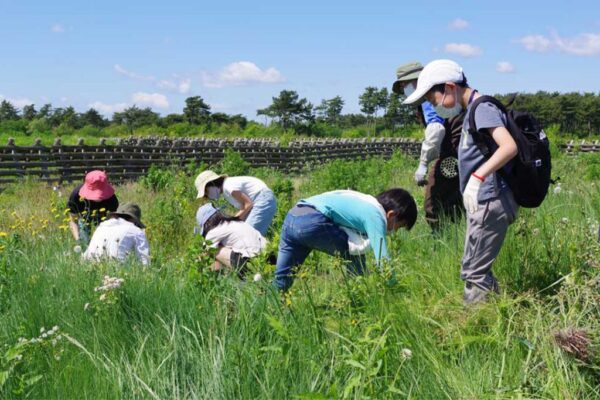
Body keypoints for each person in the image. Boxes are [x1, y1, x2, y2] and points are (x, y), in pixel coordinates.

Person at [403, 59, 519, 305]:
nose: (434, 107)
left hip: (490, 198)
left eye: (433, 100)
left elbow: (509, 147)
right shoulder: (469, 112)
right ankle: (497, 310)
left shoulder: (481, 108)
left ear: (449, 87)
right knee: (472, 267)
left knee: (474, 272)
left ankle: (477, 326)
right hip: (482, 200)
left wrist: (478, 177)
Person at [273, 188, 417, 291]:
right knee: (355, 254)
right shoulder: (376, 214)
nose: (394, 231)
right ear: (391, 215)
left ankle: (267, 306)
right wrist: (395, 289)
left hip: (293, 215)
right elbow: (382, 259)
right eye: (399, 226)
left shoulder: (363, 200)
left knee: (281, 281)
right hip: (313, 221)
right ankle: (358, 297)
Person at [393, 62, 464, 231]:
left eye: (405, 84)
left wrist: (423, 164)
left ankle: (440, 237)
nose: (404, 89)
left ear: (416, 80)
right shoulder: (432, 98)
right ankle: (455, 233)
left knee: (434, 199)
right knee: (454, 196)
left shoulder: (429, 99)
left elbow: (436, 129)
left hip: (452, 154)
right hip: (460, 152)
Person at [195, 203, 268, 278]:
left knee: (212, 250)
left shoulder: (212, 232)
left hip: (251, 262)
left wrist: (195, 263)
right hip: (268, 254)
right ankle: (230, 275)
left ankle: (224, 277)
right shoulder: (235, 221)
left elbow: (204, 254)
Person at [194, 171, 277, 236]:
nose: (207, 196)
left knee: (248, 234)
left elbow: (248, 204)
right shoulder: (227, 189)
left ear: (211, 184)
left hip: (262, 199)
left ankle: (260, 256)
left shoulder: (228, 186)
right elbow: (245, 208)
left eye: (206, 192)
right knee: (244, 231)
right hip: (260, 200)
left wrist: (232, 221)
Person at [82, 202, 150, 265]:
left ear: (115, 215)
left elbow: (85, 256)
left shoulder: (101, 227)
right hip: (117, 270)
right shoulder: (136, 231)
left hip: (91, 268)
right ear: (134, 220)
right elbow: (144, 260)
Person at [67, 170, 119, 245]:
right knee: (84, 241)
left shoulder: (111, 198)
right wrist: (78, 240)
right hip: (83, 219)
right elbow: (73, 221)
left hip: (104, 221)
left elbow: (114, 221)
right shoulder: (76, 195)